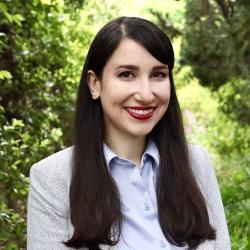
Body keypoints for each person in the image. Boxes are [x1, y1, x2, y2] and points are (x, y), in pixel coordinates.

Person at [27, 16, 231, 250]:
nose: (146, 94)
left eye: (158, 74)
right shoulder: (52, 178)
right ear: (94, 84)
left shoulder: (197, 163)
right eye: (126, 74)